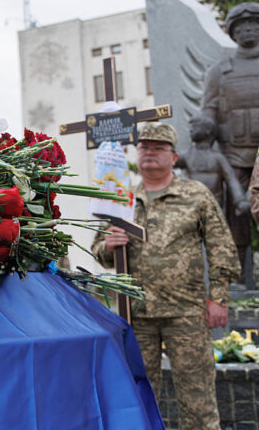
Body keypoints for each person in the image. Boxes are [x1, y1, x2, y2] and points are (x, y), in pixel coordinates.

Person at [91, 123, 239, 430]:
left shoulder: (195, 194)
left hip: (186, 313)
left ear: (173, 157)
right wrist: (108, 244)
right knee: (139, 397)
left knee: (198, 402)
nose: (150, 153)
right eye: (144, 147)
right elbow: (98, 250)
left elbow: (220, 246)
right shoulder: (121, 198)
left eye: (159, 148)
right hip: (136, 314)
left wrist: (220, 298)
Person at [200, 2, 259, 282]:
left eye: (254, 23)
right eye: (241, 25)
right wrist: (203, 127)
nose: (248, 29)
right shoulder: (219, 72)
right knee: (234, 222)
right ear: (232, 32)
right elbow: (209, 111)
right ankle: (237, 280)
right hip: (234, 156)